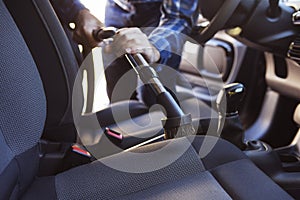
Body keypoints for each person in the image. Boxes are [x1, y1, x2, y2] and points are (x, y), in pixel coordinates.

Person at [51, 0, 199, 105]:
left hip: (159, 14)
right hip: (117, 7)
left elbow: (178, 18)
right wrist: (78, 11)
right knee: (118, 93)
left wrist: (154, 47)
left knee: (154, 98)